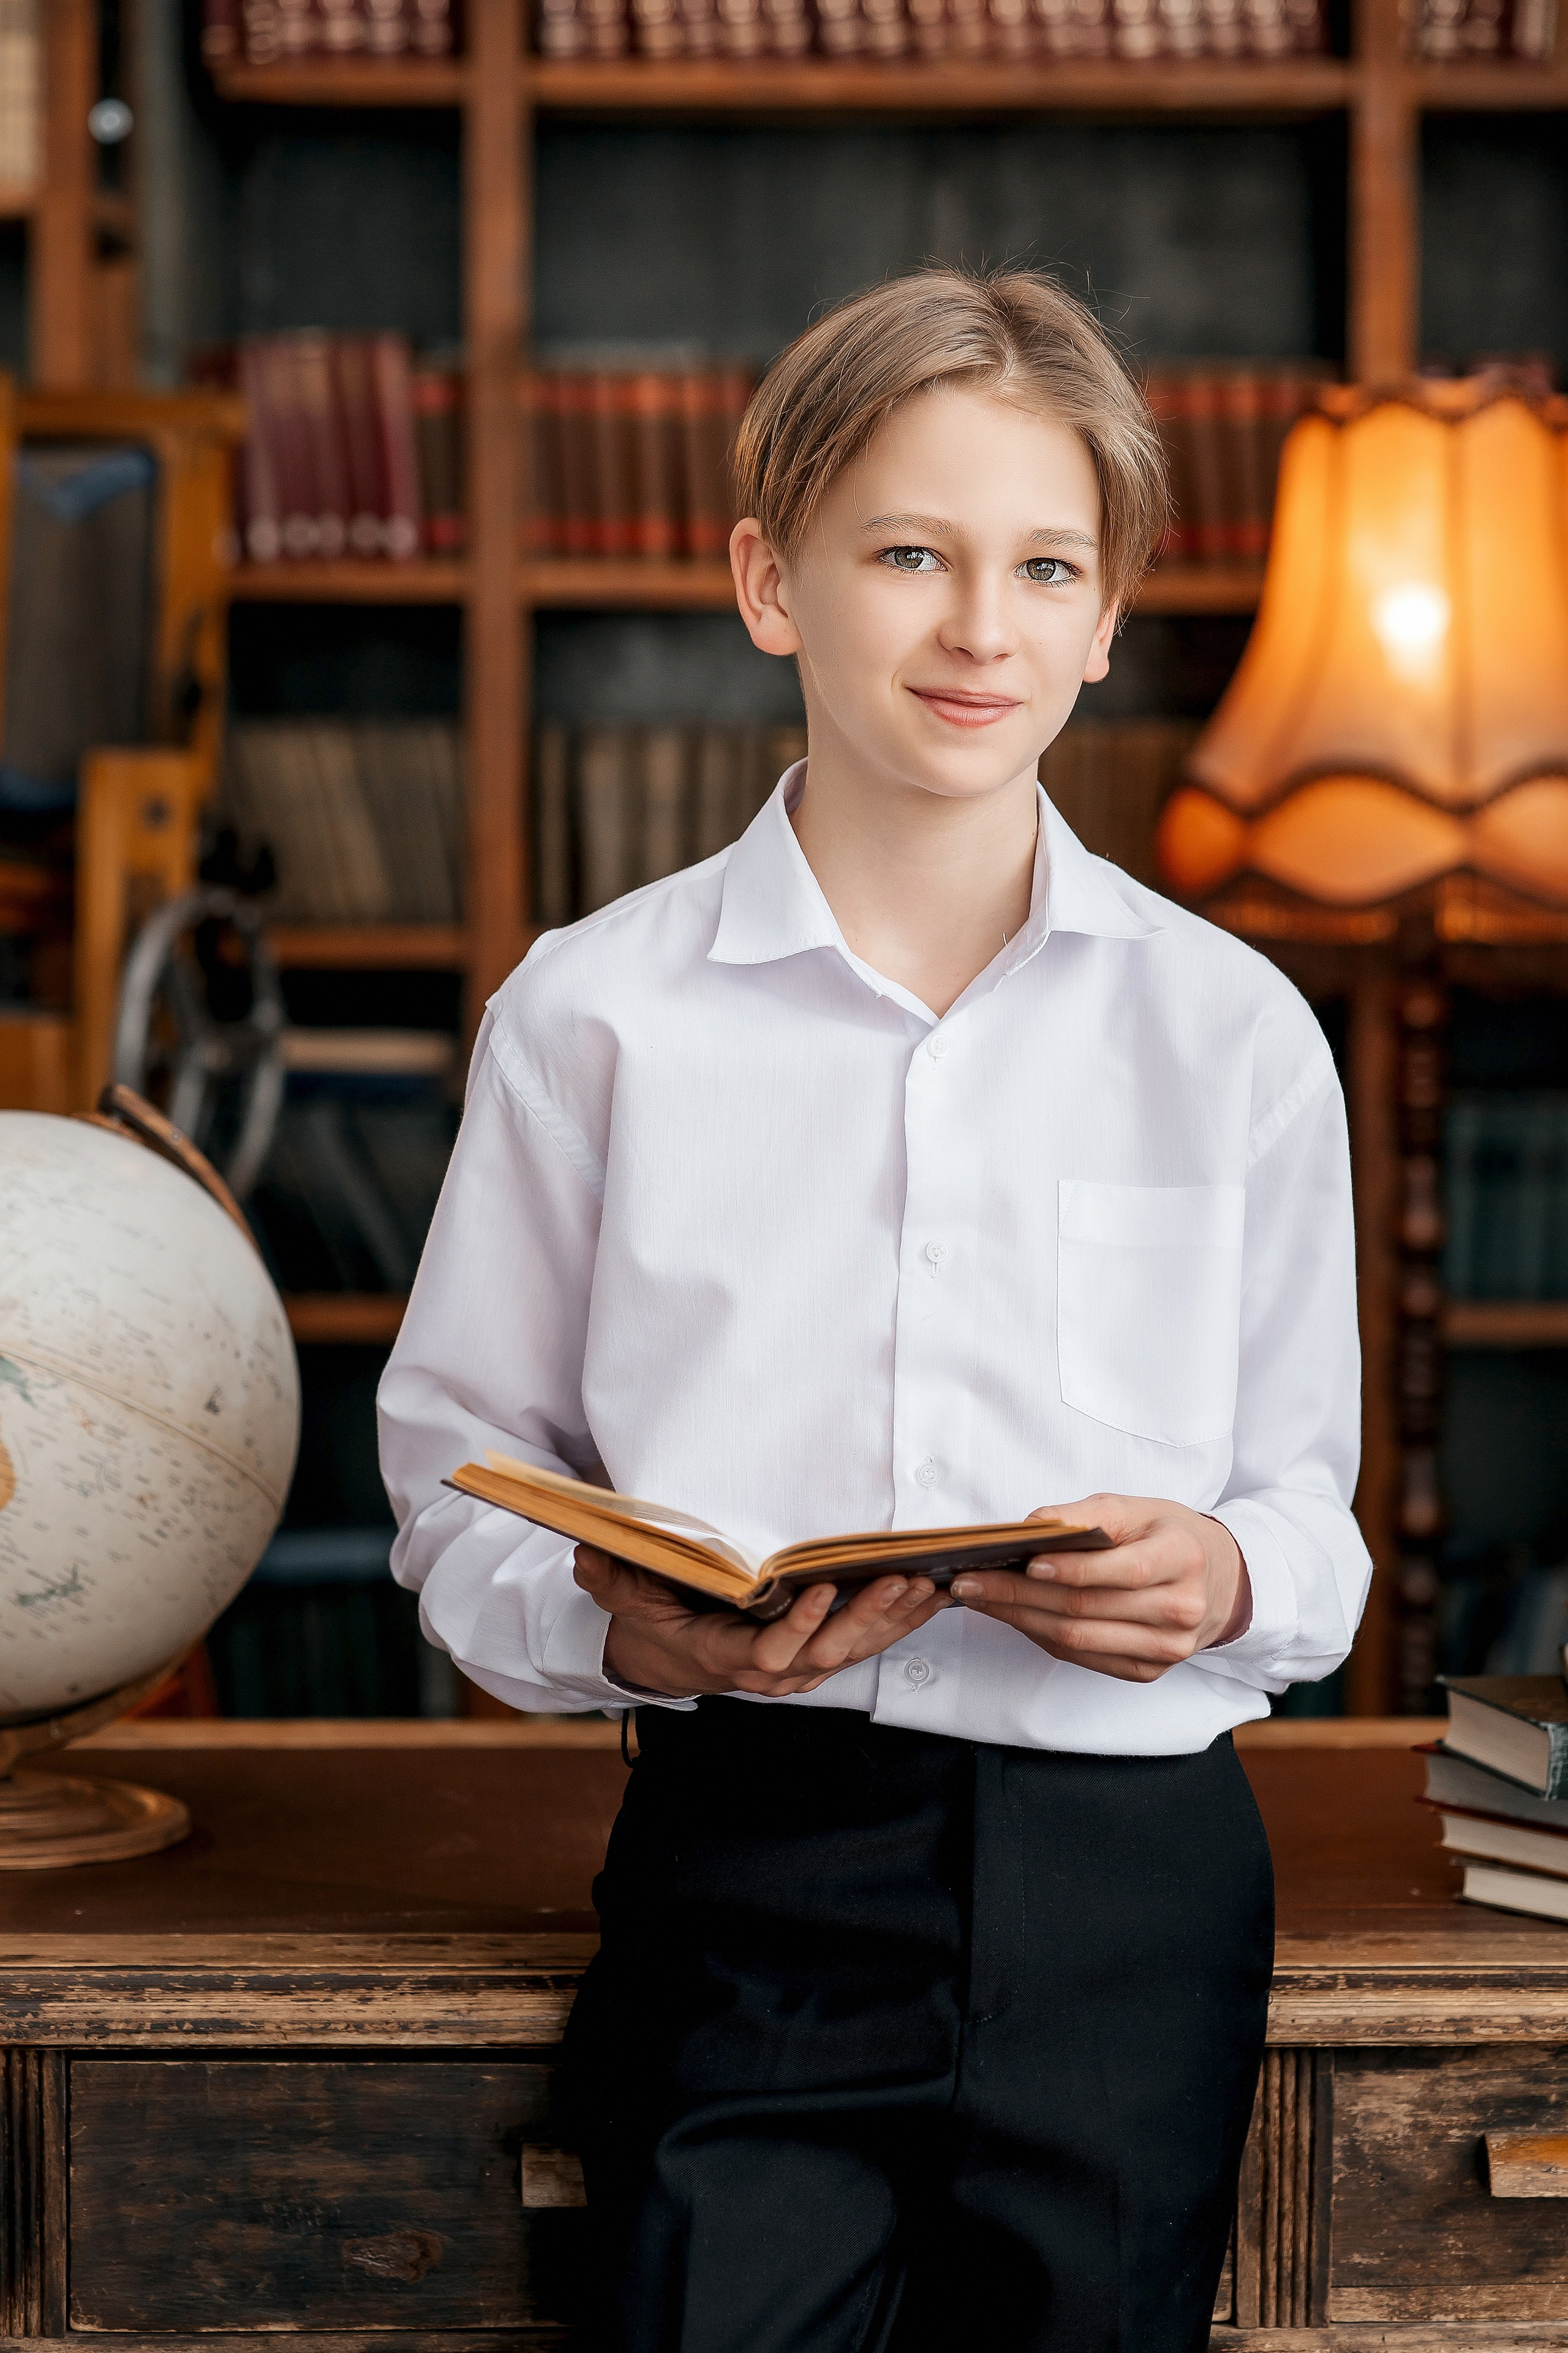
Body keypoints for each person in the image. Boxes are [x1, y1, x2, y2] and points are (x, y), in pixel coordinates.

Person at [377, 265, 1372, 2353]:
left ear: (1111, 620)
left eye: (1044, 566)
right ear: (769, 580)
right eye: (907, 553)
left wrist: (1217, 1573)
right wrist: (603, 1619)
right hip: (750, 1866)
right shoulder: (594, 1013)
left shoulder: (1237, 1034)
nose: (978, 627)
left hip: (1135, 1889)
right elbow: (456, 1474)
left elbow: (1311, 1515)